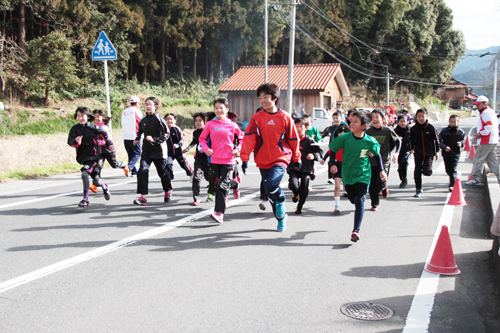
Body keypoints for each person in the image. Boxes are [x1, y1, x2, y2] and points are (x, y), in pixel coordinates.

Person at [240, 82, 301, 232]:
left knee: (271, 184)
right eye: (260, 98)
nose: (262, 100)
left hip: (281, 157)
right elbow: (249, 138)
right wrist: (245, 158)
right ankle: (281, 218)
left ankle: (280, 202)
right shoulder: (256, 118)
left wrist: (296, 157)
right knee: (269, 189)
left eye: (265, 97)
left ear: (274, 98)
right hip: (262, 159)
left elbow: (293, 138)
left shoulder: (285, 117)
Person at [330, 110, 385, 242]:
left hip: (363, 174)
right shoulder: (345, 138)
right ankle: (354, 200)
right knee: (353, 199)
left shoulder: (370, 141)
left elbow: (377, 155)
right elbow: (333, 149)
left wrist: (382, 170)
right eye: (351, 121)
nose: (352, 124)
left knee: (360, 201)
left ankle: (356, 231)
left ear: (364, 126)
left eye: (356, 122)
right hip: (348, 175)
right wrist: (333, 164)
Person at [199, 98, 244, 223]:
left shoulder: (232, 125)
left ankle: (219, 212)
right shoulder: (210, 124)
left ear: (227, 109)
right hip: (215, 160)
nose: (219, 110)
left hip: (229, 161)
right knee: (218, 185)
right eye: (216, 108)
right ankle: (234, 184)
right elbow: (202, 139)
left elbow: (241, 139)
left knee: (221, 186)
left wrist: (237, 149)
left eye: (221, 108)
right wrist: (206, 148)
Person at [67, 106, 113, 208]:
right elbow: (69, 142)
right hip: (83, 157)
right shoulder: (75, 129)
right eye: (78, 116)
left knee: (84, 174)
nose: (80, 118)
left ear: (88, 116)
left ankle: (85, 199)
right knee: (95, 177)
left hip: (94, 156)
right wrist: (76, 141)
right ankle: (105, 187)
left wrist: (109, 143)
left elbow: (104, 132)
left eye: (82, 116)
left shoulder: (93, 128)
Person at [133, 97, 172, 206]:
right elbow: (140, 131)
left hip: (159, 151)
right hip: (146, 150)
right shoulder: (143, 119)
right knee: (142, 171)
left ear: (155, 106)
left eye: (150, 104)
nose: (148, 106)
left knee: (162, 173)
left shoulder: (159, 119)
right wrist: (137, 139)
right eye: (146, 104)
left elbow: (166, 134)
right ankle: (143, 197)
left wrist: (154, 140)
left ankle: (167, 190)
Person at [365, 108, 400, 211]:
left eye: (377, 117)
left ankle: (383, 187)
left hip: (384, 161)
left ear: (383, 118)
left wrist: (396, 153)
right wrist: (368, 151)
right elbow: (363, 144)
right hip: (371, 162)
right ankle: (375, 204)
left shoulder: (387, 131)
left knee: (379, 182)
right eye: (372, 117)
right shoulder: (368, 132)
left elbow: (398, 141)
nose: (374, 119)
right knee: (372, 184)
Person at [287, 117, 323, 214]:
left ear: (306, 128)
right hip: (293, 166)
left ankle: (300, 206)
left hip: (306, 168)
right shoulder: (290, 139)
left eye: (301, 126)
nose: (298, 128)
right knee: (293, 184)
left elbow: (319, 152)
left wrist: (313, 155)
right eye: (296, 126)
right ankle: (295, 193)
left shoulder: (309, 140)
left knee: (304, 187)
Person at [88, 109, 128, 194]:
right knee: (97, 166)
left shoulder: (104, 128)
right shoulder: (93, 127)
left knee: (114, 165)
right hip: (99, 150)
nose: (96, 118)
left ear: (102, 117)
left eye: (98, 116)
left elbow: (109, 139)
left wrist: (98, 142)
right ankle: (95, 185)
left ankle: (124, 165)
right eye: (95, 116)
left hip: (108, 150)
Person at [466, 95, 500, 185]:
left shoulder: (485, 113)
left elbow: (489, 126)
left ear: (484, 104)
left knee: (478, 159)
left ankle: (476, 179)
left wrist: (480, 134)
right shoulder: (490, 112)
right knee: (492, 161)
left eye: (479, 104)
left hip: (486, 140)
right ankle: (498, 177)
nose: (477, 106)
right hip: (492, 140)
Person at [409, 108, 440, 198]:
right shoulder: (414, 129)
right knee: (417, 171)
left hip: (429, 153)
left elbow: (436, 139)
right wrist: (412, 149)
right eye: (419, 116)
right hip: (418, 153)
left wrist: (437, 151)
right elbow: (411, 140)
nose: (421, 118)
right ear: (416, 117)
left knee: (426, 172)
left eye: (423, 116)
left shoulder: (431, 127)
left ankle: (429, 168)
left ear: (427, 116)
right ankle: (419, 189)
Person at [320, 123, 350, 214]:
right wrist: (324, 159)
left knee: (348, 185)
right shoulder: (336, 142)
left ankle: (347, 190)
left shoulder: (350, 142)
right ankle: (337, 205)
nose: (342, 134)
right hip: (337, 165)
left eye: (345, 133)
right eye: (340, 133)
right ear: (337, 134)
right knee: (337, 186)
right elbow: (330, 152)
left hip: (347, 166)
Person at [183, 112, 212, 205]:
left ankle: (212, 193)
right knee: (196, 178)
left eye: (200, 121)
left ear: (205, 121)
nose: (198, 123)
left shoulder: (208, 131)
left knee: (209, 177)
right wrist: (188, 148)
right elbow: (194, 141)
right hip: (198, 158)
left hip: (208, 159)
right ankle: (196, 198)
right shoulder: (195, 132)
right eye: (196, 121)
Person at [439, 115, 466, 192]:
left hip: (456, 154)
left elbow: (464, 140)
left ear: (458, 122)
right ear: (449, 122)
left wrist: (461, 143)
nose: (453, 123)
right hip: (446, 153)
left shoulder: (460, 132)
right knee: (448, 170)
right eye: (451, 121)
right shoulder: (444, 131)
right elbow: (439, 141)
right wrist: (444, 147)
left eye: (455, 122)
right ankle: (452, 178)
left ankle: (452, 185)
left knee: (453, 169)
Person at [164, 113, 193, 180]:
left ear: (174, 120)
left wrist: (177, 145)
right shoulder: (164, 130)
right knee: (168, 164)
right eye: (167, 119)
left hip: (179, 151)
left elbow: (182, 140)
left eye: (171, 119)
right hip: (170, 151)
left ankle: (191, 173)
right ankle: (170, 178)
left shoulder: (177, 129)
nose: (169, 121)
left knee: (183, 165)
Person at [121, 96, 142, 177]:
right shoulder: (137, 111)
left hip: (126, 136)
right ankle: (129, 167)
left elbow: (122, 123)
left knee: (130, 154)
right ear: (137, 103)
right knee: (137, 153)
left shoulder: (124, 111)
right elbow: (141, 123)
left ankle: (134, 172)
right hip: (134, 136)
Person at [321, 111, 344, 183]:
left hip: (342, 148)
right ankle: (330, 178)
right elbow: (325, 133)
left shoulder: (343, 127)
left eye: (337, 118)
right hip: (332, 147)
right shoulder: (330, 128)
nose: (335, 120)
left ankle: (342, 177)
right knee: (331, 162)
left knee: (341, 163)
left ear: (341, 118)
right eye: (334, 118)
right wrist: (320, 139)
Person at [394, 114, 411, 188]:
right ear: (398, 122)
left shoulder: (410, 130)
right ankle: (403, 179)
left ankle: (404, 179)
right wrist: (397, 139)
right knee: (400, 166)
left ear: (407, 122)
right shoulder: (395, 131)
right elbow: (391, 141)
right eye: (401, 121)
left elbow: (414, 140)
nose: (403, 123)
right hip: (399, 151)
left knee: (404, 162)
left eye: (404, 121)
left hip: (407, 150)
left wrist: (413, 149)